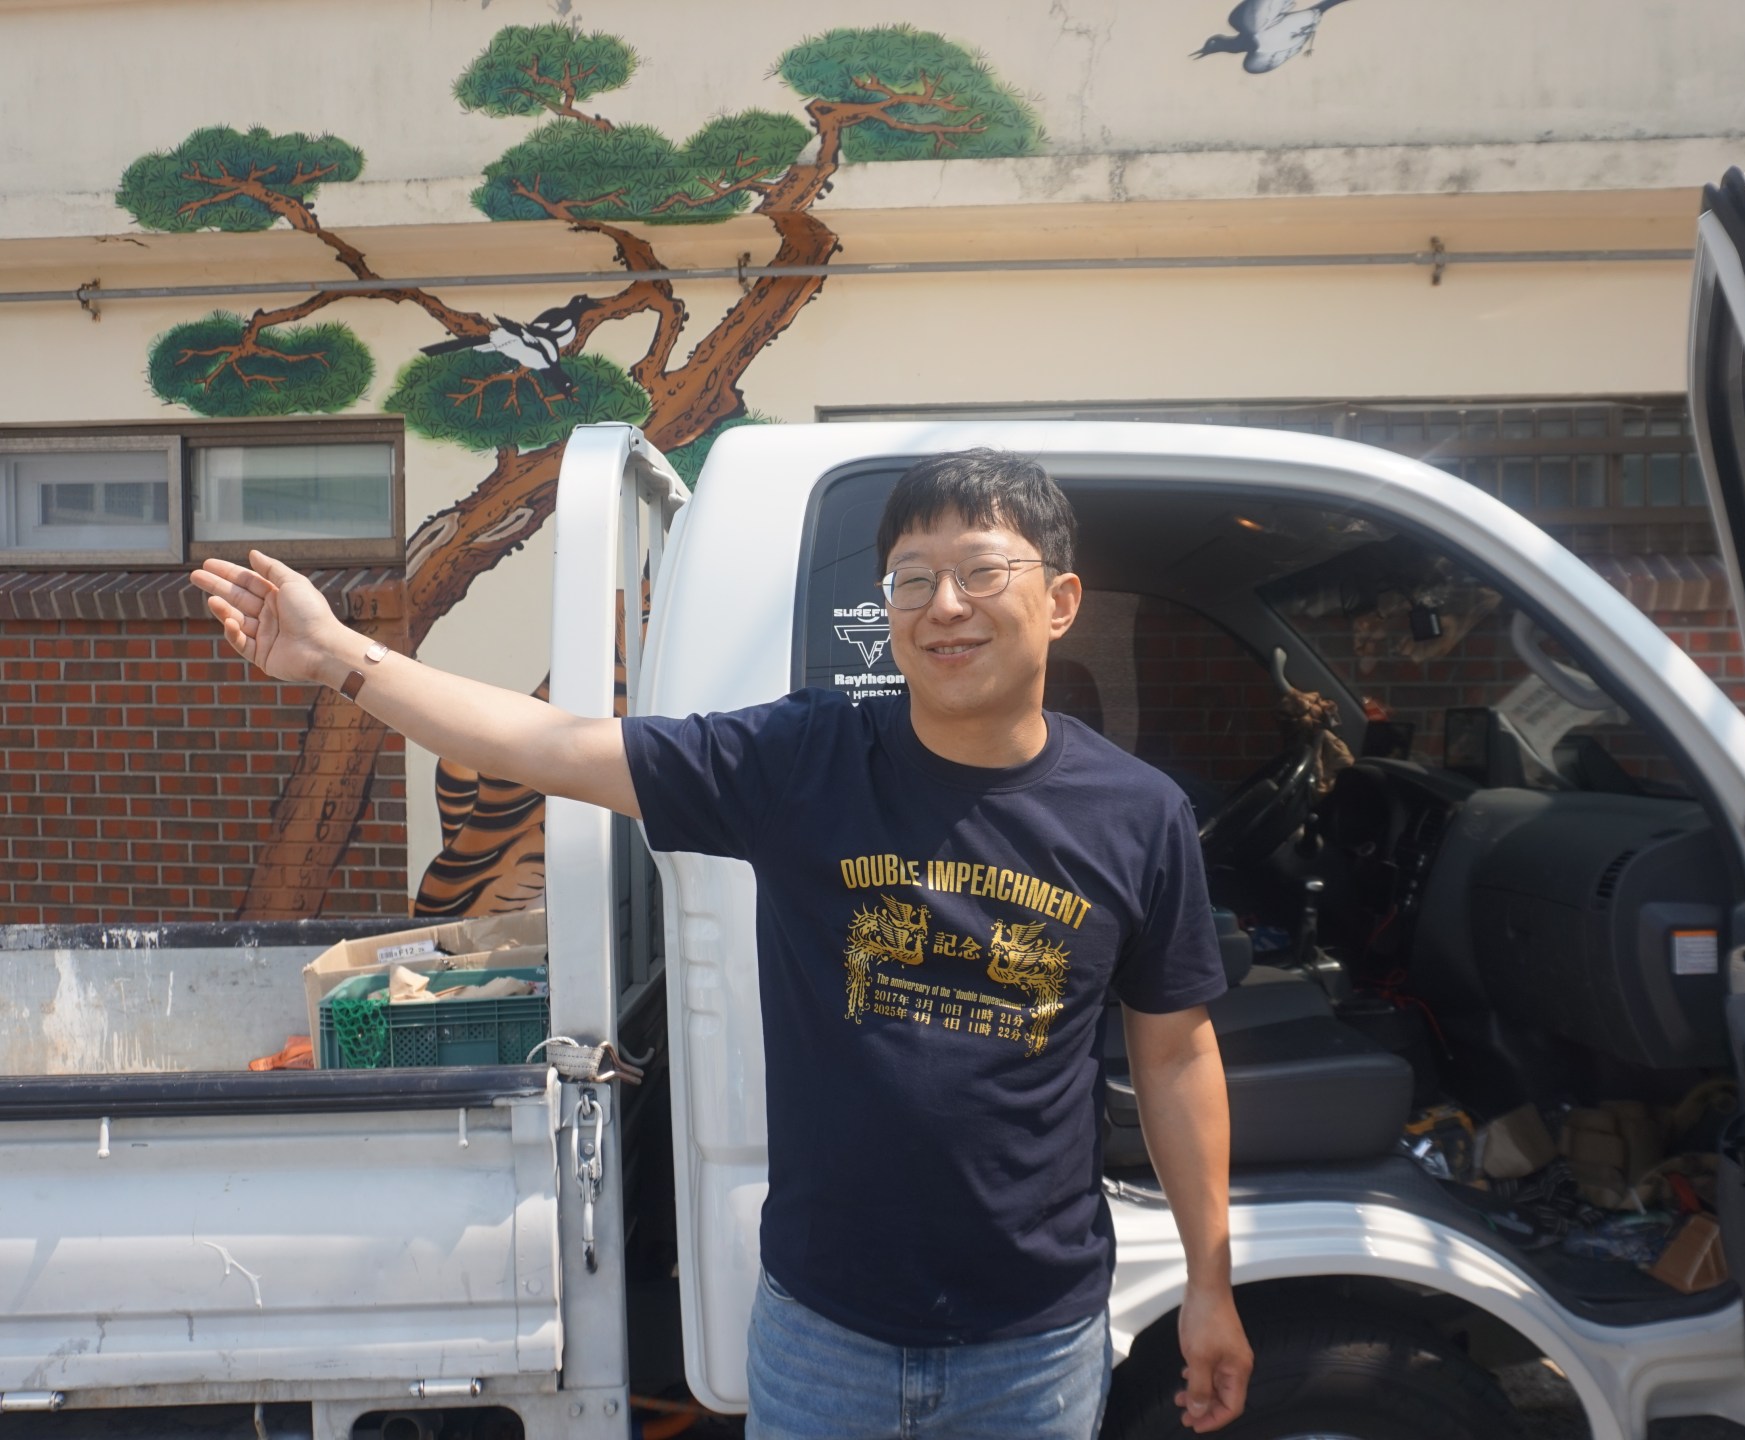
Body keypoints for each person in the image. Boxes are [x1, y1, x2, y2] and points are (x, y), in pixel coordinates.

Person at [192, 446, 1252, 1438]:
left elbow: (1175, 1055)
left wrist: (1210, 1284)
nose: (945, 606)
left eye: (982, 571)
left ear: (1060, 601)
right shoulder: (804, 761)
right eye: (912, 579)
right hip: (822, 1336)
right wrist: (338, 657)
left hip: (1033, 1345)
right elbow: (551, 744)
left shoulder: (1137, 815)